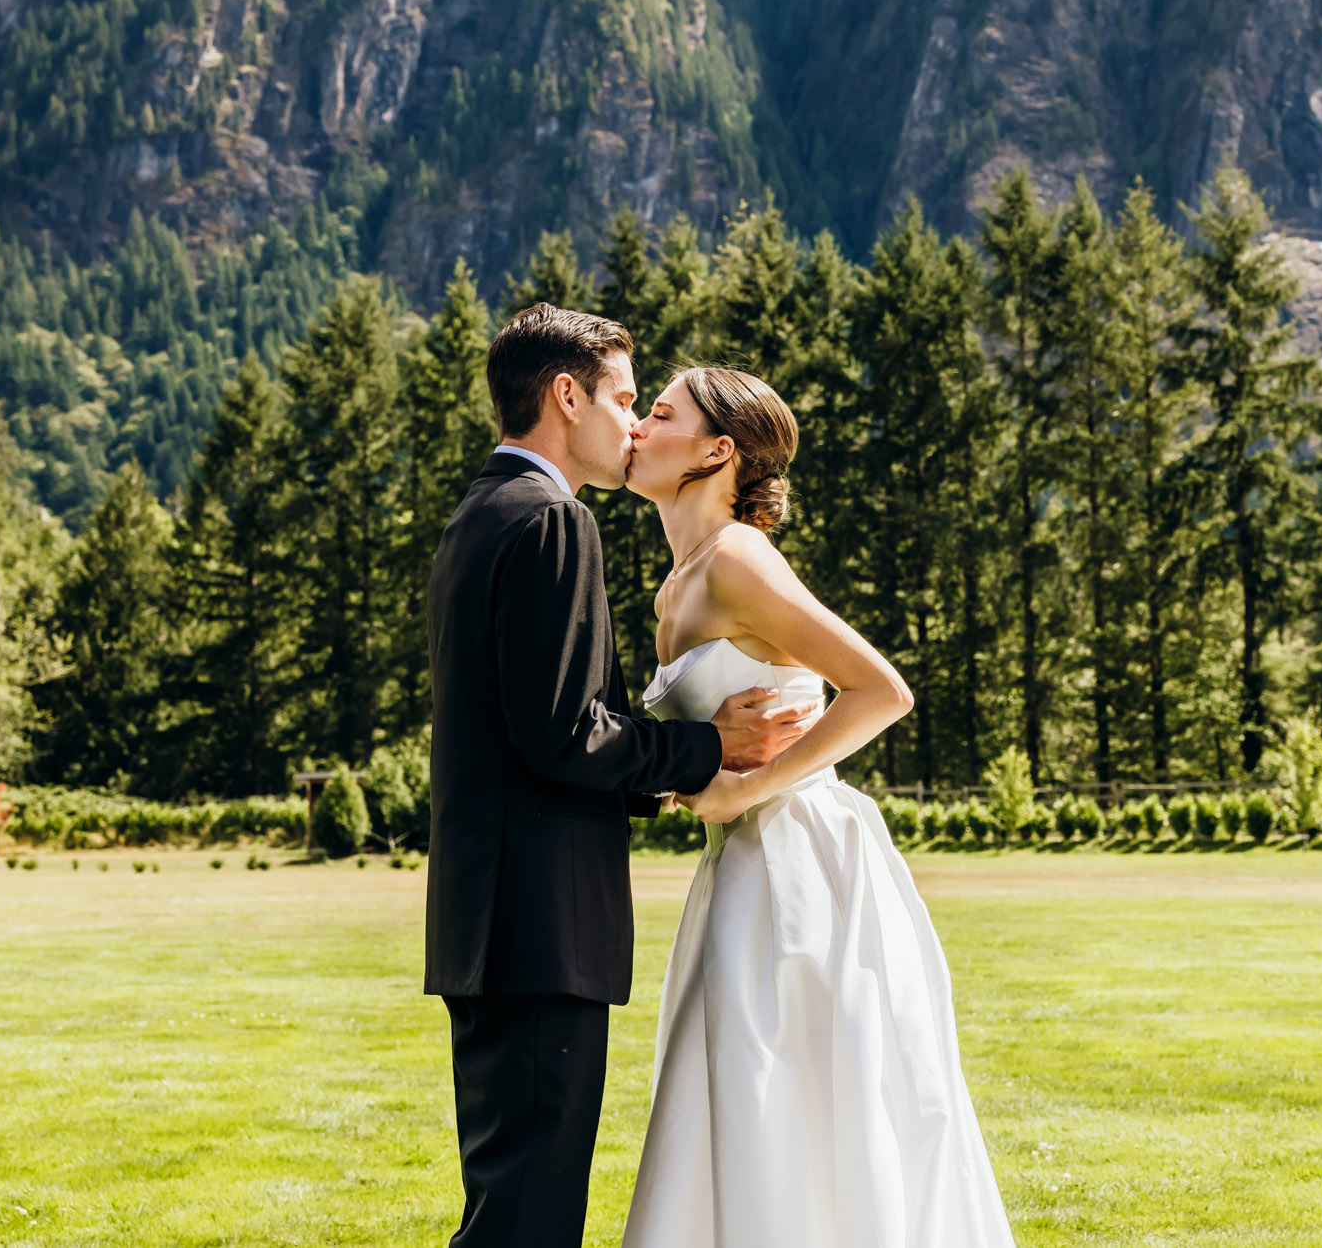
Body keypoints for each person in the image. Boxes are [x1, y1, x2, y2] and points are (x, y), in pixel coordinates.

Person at [424, 307, 816, 1248]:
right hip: (541, 921)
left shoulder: (480, 516)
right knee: (529, 1216)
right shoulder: (557, 521)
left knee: (507, 1200)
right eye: (625, 397)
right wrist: (708, 748)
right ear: (567, 395)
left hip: (489, 919)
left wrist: (668, 768)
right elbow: (566, 733)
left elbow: (533, 732)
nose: (633, 424)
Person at [621, 365, 1017, 1247]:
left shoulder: (735, 557)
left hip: (801, 859)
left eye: (659, 412)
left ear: (717, 451)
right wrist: (703, 784)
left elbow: (881, 689)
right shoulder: (675, 585)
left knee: (793, 1092)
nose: (638, 427)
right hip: (737, 868)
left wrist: (746, 789)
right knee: (737, 1089)